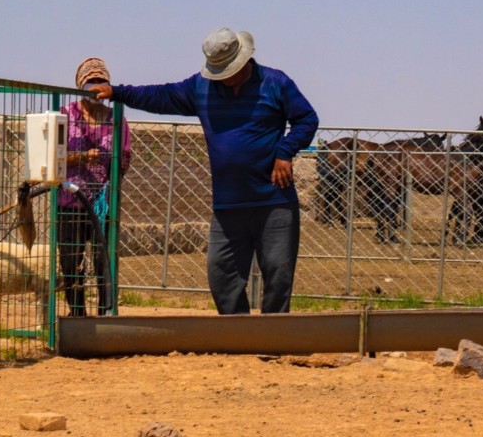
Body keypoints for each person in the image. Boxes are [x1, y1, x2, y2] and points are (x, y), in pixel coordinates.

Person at [89, 28, 318, 314]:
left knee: (278, 275)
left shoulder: (275, 83)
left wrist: (285, 153)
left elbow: (307, 119)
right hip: (228, 204)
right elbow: (161, 95)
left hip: (274, 201)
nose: (223, 76)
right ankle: (238, 333)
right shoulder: (201, 87)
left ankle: (272, 337)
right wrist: (118, 92)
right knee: (221, 274)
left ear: (244, 61)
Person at [60, 57, 131, 317]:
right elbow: (53, 155)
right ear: (80, 84)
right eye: (91, 82)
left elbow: (124, 156)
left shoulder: (116, 118)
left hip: (104, 202)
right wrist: (82, 157)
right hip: (70, 200)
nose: (96, 88)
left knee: (104, 259)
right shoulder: (66, 115)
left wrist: (109, 182)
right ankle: (77, 313)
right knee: (71, 259)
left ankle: (106, 313)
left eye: (102, 82)